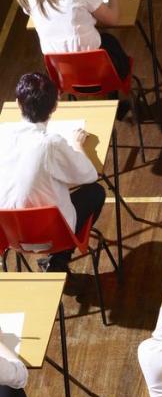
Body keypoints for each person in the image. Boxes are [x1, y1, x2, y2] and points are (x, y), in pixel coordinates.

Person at [0, 72, 105, 272]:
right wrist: (78, 146)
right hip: (54, 236)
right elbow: (90, 175)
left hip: (10, 234)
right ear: (55, 106)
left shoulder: (2, 133)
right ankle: (58, 260)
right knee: (96, 192)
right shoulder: (51, 144)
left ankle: (56, 262)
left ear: (18, 104)